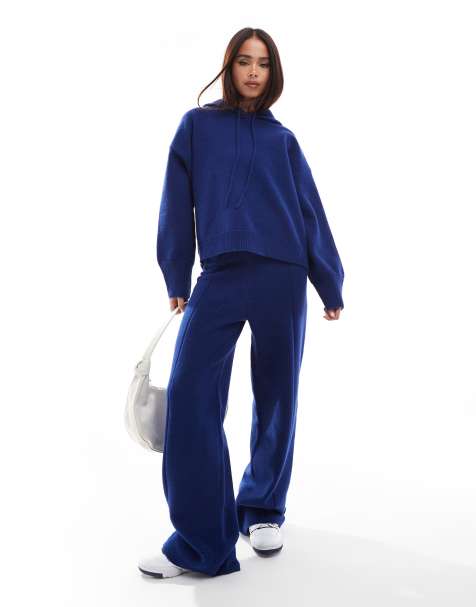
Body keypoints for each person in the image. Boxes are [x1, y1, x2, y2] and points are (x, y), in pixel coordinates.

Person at [138, 27, 345, 579]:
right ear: (228, 67)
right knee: (190, 397)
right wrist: (176, 272)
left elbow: (308, 210)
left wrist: (328, 281)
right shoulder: (196, 126)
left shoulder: (284, 140)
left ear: (273, 73)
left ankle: (262, 507)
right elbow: (175, 203)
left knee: (277, 395)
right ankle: (203, 540)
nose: (254, 72)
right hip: (221, 274)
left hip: (283, 274)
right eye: (244, 61)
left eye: (264, 63)